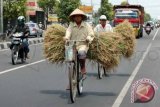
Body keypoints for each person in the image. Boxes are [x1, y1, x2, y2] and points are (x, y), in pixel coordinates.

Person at [64, 9, 94, 80]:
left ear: (81, 17)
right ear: (73, 18)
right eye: (75, 16)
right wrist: (67, 38)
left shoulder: (87, 25)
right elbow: (68, 32)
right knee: (69, 57)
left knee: (81, 53)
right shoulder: (71, 25)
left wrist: (88, 38)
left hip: (83, 44)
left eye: (79, 16)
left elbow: (91, 34)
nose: (77, 18)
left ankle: (83, 68)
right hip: (72, 45)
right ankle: (72, 76)